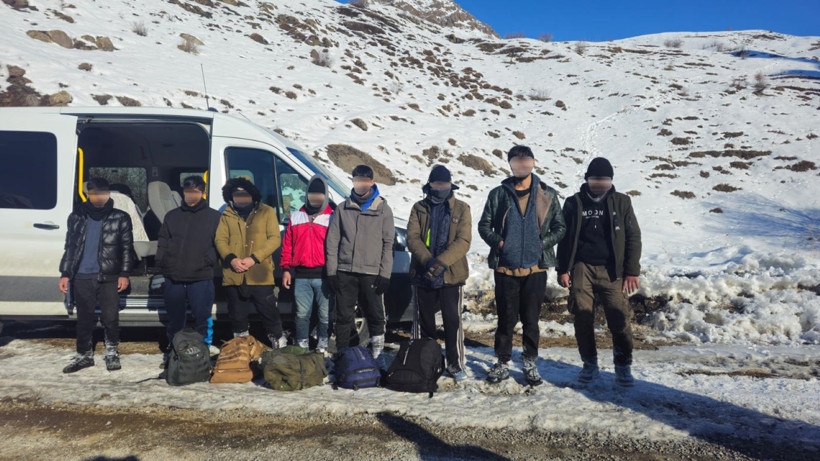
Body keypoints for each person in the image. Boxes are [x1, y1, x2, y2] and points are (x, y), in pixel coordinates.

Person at [478, 146, 566, 386]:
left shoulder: (547, 194)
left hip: (535, 268)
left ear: (534, 163)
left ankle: (529, 362)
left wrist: (542, 243)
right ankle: (502, 362)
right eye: (516, 163)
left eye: (525, 162)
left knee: (531, 320)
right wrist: (500, 243)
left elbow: (560, 227)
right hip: (506, 267)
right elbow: (484, 226)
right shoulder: (498, 194)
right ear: (510, 165)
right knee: (505, 319)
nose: (521, 167)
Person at [556, 157, 642, 387]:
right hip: (581, 268)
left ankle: (623, 367)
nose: (600, 184)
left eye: (604, 180)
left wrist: (632, 271)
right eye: (595, 179)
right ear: (587, 179)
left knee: (619, 317)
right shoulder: (573, 202)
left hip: (612, 269)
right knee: (582, 318)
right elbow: (563, 239)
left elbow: (633, 236)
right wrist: (562, 269)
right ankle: (589, 364)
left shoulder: (622, 202)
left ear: (611, 181)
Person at [58, 178, 134, 373]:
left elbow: (126, 248)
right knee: (84, 318)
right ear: (88, 194)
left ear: (109, 194)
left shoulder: (121, 217)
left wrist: (124, 273)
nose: (99, 196)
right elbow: (70, 247)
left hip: (108, 275)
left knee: (110, 317)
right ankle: (84, 355)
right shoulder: (76, 216)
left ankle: (111, 353)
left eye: (103, 192)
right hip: (82, 275)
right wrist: (65, 273)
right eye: (94, 192)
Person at [406, 165, 472, 381]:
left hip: (451, 274)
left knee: (452, 321)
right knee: (424, 322)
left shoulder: (462, 208)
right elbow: (413, 237)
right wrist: (428, 262)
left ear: (450, 184)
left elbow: (463, 241)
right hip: (423, 273)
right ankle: (426, 361)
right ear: (430, 184)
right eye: (436, 184)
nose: (440, 187)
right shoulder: (419, 207)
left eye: (443, 184)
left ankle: (455, 363)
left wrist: (442, 262)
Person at [325, 165, 394, 360]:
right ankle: (342, 356)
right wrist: (332, 272)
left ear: (372, 182)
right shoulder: (343, 208)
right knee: (344, 316)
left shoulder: (382, 209)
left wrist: (385, 274)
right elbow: (332, 241)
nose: (360, 184)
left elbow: (388, 244)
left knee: (375, 315)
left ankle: (377, 354)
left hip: (371, 273)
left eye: (365, 180)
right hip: (345, 270)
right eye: (357, 180)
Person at [156, 175, 221, 366]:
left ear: (202, 192)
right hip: (174, 276)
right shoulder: (172, 216)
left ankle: (203, 349)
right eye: (187, 191)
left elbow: (219, 244)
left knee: (203, 316)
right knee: (175, 319)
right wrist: (163, 263)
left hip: (201, 275)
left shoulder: (214, 217)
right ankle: (174, 350)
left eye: (195, 192)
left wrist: (209, 260)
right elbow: (163, 242)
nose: (191, 195)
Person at [215, 177, 286, 348]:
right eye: (236, 194)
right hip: (235, 273)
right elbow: (220, 240)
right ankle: (241, 348)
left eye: (244, 193)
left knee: (269, 312)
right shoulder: (227, 214)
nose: (241, 197)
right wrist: (231, 259)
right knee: (237, 315)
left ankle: (279, 343)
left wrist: (253, 259)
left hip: (260, 273)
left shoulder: (266, 211)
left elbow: (275, 239)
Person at [280, 175, 334, 354]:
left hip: (324, 276)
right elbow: (287, 245)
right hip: (301, 276)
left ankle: (322, 347)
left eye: (319, 195)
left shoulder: (332, 218)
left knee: (325, 315)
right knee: (302, 315)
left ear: (325, 196)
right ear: (306, 195)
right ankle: (302, 347)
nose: (315, 199)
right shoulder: (296, 217)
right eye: (312, 195)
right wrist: (286, 269)